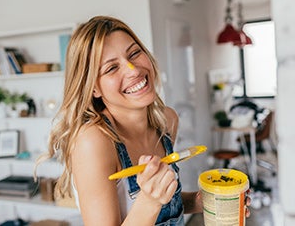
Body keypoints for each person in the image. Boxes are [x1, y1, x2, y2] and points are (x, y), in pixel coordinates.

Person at [37, 15, 249, 225]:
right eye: (111, 68)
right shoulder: (93, 141)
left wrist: (200, 202)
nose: (133, 70)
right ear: (93, 88)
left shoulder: (167, 121)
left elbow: (167, 205)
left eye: (135, 53)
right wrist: (148, 201)